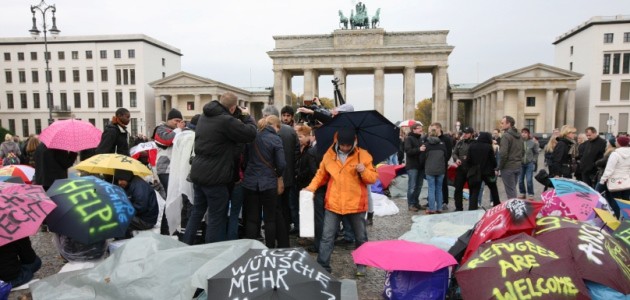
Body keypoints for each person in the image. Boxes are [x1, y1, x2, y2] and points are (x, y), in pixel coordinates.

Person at [185, 92, 257, 244]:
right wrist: (246, 117)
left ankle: (187, 243)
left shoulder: (204, 116)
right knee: (216, 218)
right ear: (232, 108)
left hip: (198, 173)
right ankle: (211, 251)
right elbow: (250, 133)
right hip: (215, 177)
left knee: (197, 212)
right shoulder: (226, 121)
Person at [305, 128, 377, 276]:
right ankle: (322, 266)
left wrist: (363, 171)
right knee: (327, 236)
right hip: (334, 203)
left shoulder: (363, 155)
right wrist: (311, 189)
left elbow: (372, 178)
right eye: (343, 145)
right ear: (337, 142)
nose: (345, 148)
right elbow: (321, 175)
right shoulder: (329, 155)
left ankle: (362, 265)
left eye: (348, 145)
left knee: (361, 237)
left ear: (354, 142)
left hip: (356, 204)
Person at [242, 115, 289, 248]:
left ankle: (251, 248)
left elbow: (245, 160)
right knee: (270, 219)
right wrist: (278, 175)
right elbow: (281, 164)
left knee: (252, 218)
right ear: (275, 126)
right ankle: (269, 247)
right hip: (268, 182)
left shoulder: (251, 137)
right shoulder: (275, 139)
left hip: (250, 181)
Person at [261, 105, 299, 235]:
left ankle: (276, 228)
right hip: (288, 174)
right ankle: (285, 227)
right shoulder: (291, 131)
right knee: (285, 204)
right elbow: (296, 153)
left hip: (273, 175)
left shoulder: (263, 133)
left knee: (274, 205)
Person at [153, 108, 185, 234]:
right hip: (165, 169)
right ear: (169, 120)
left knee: (176, 199)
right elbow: (166, 140)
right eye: (176, 121)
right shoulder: (160, 129)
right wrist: (178, 130)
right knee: (170, 198)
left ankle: (171, 228)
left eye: (180, 121)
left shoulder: (177, 131)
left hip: (175, 169)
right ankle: (166, 230)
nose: (178, 123)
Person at [114, 169, 159, 237]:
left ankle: (124, 240)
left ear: (127, 178)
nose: (119, 182)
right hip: (141, 217)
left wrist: (123, 210)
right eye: (118, 180)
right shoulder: (131, 184)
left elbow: (140, 207)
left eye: (121, 180)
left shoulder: (139, 186)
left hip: (146, 221)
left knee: (119, 218)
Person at [467, 132, 501, 209]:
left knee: (475, 191)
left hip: (475, 172)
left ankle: (472, 207)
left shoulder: (472, 146)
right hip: (488, 172)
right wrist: (494, 166)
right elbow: (493, 160)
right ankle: (497, 204)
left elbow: (468, 160)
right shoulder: (488, 147)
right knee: (493, 188)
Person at [599, 135, 630, 213]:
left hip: (615, 181)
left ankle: (617, 217)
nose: (615, 142)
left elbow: (609, 169)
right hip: (627, 181)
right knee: (626, 201)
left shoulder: (615, 154)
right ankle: (626, 219)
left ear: (619, 143)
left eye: (617, 141)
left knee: (615, 201)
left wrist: (602, 181)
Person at [421, 128, 448, 214]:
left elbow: (422, 158)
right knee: (439, 189)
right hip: (440, 169)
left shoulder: (426, 145)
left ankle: (432, 208)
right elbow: (446, 156)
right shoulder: (442, 144)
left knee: (431, 189)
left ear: (429, 135)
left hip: (430, 169)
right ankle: (439, 207)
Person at [428, 122, 453, 211]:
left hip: (442, 164)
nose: (431, 130)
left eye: (433, 129)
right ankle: (432, 202)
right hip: (432, 165)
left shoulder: (446, 139)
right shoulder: (430, 138)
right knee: (432, 185)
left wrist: (443, 161)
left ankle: (444, 201)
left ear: (439, 128)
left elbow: (449, 152)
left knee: (443, 184)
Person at [498, 116, 524, 199]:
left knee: (511, 192)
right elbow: (522, 151)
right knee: (512, 189)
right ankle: (513, 208)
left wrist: (499, 167)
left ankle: (513, 210)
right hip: (517, 166)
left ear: (508, 124)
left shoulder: (506, 136)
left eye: (502, 123)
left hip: (508, 167)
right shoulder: (519, 135)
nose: (501, 125)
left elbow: (503, 154)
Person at [404, 123, 426, 212]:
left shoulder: (421, 139)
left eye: (421, 127)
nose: (421, 129)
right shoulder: (409, 138)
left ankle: (416, 203)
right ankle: (411, 204)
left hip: (421, 166)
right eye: (419, 128)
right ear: (414, 129)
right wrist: (419, 149)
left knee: (419, 186)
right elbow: (408, 151)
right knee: (412, 186)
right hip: (412, 166)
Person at [452, 127, 474, 211]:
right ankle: (458, 207)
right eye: (464, 133)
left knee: (472, 190)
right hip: (461, 169)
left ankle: (472, 208)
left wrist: (469, 158)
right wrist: (456, 159)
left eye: (467, 133)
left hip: (471, 169)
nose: (465, 135)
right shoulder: (459, 143)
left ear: (471, 134)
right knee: (458, 189)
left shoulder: (475, 143)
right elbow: (454, 153)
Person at [518, 128, 539, 200]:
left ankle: (530, 193)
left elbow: (536, 152)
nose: (523, 134)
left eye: (525, 132)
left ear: (528, 134)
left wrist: (534, 160)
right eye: (522, 132)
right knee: (520, 180)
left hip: (529, 164)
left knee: (529, 179)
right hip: (520, 164)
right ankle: (522, 193)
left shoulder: (532, 142)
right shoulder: (518, 142)